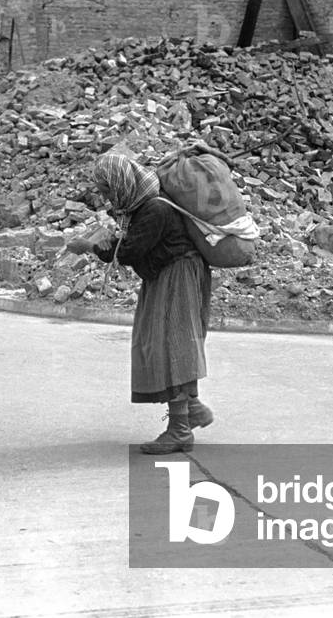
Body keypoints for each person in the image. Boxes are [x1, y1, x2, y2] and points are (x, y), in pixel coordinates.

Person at [67, 153, 214, 454]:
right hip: (168, 275)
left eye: (108, 190)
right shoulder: (146, 206)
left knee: (171, 346)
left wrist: (90, 246)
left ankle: (180, 430)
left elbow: (130, 251)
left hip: (177, 276)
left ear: (122, 183)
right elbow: (132, 244)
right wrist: (111, 241)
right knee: (169, 343)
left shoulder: (154, 209)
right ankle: (192, 408)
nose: (107, 198)